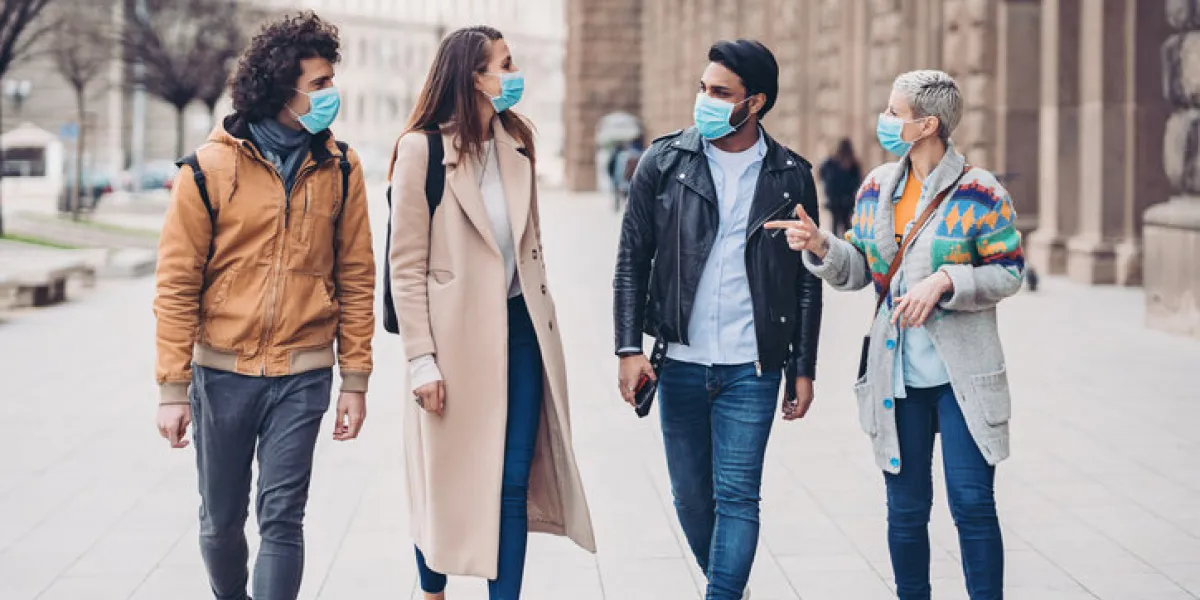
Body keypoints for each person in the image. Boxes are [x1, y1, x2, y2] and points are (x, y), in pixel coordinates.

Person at [768, 70, 1023, 599]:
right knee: (906, 511)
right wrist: (821, 246)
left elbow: (1010, 270)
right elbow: (862, 268)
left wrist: (948, 279)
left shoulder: (980, 192)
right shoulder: (876, 187)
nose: (884, 121)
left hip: (963, 378)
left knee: (972, 503)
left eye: (894, 112)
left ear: (927, 124)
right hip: (897, 375)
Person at [153, 12, 374, 600]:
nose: (331, 94)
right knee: (220, 523)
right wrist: (173, 388)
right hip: (221, 371)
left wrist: (355, 378)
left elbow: (356, 277)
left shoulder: (342, 170)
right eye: (320, 83)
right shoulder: (207, 170)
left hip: (302, 372)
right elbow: (176, 283)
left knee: (282, 518)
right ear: (282, 89)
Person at [387, 25, 596, 600]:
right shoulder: (421, 149)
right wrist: (421, 360)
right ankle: (432, 587)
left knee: (510, 482)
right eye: (504, 65)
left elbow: (530, 249)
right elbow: (405, 265)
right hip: (452, 342)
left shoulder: (518, 142)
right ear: (474, 76)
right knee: (446, 474)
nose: (513, 74)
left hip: (522, 330)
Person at [613, 39, 822, 600]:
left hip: (752, 367)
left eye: (719, 93)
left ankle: (721, 593)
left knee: (738, 496)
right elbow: (632, 258)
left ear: (753, 103)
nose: (704, 100)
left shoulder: (791, 176)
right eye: (703, 88)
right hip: (677, 363)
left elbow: (807, 278)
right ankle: (729, 585)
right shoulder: (664, 161)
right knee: (689, 498)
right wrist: (628, 348)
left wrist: (803, 366)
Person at [818, 138, 862, 237]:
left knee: (839, 225)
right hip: (842, 200)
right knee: (844, 225)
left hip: (840, 200)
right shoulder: (837, 162)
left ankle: (840, 245)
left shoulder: (835, 162)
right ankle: (846, 245)